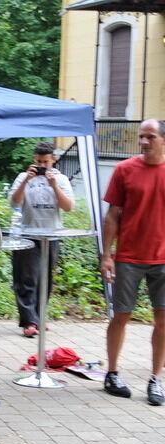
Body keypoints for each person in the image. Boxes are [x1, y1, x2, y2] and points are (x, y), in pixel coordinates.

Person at [100, 118, 165, 406]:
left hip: (163, 259)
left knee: (163, 321)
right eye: (141, 136)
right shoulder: (124, 169)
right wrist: (106, 255)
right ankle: (112, 373)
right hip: (128, 257)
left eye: (150, 136)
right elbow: (112, 215)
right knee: (121, 316)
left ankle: (155, 379)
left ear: (163, 139)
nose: (143, 142)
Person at [9, 141, 74, 337]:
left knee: (45, 279)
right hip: (28, 234)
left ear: (53, 160)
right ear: (33, 160)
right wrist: (26, 181)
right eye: (38, 161)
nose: (42, 166)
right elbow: (14, 202)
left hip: (51, 235)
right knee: (26, 279)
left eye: (45, 162)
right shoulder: (23, 177)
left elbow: (68, 207)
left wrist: (54, 185)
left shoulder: (61, 179)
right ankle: (28, 321)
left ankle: (39, 317)